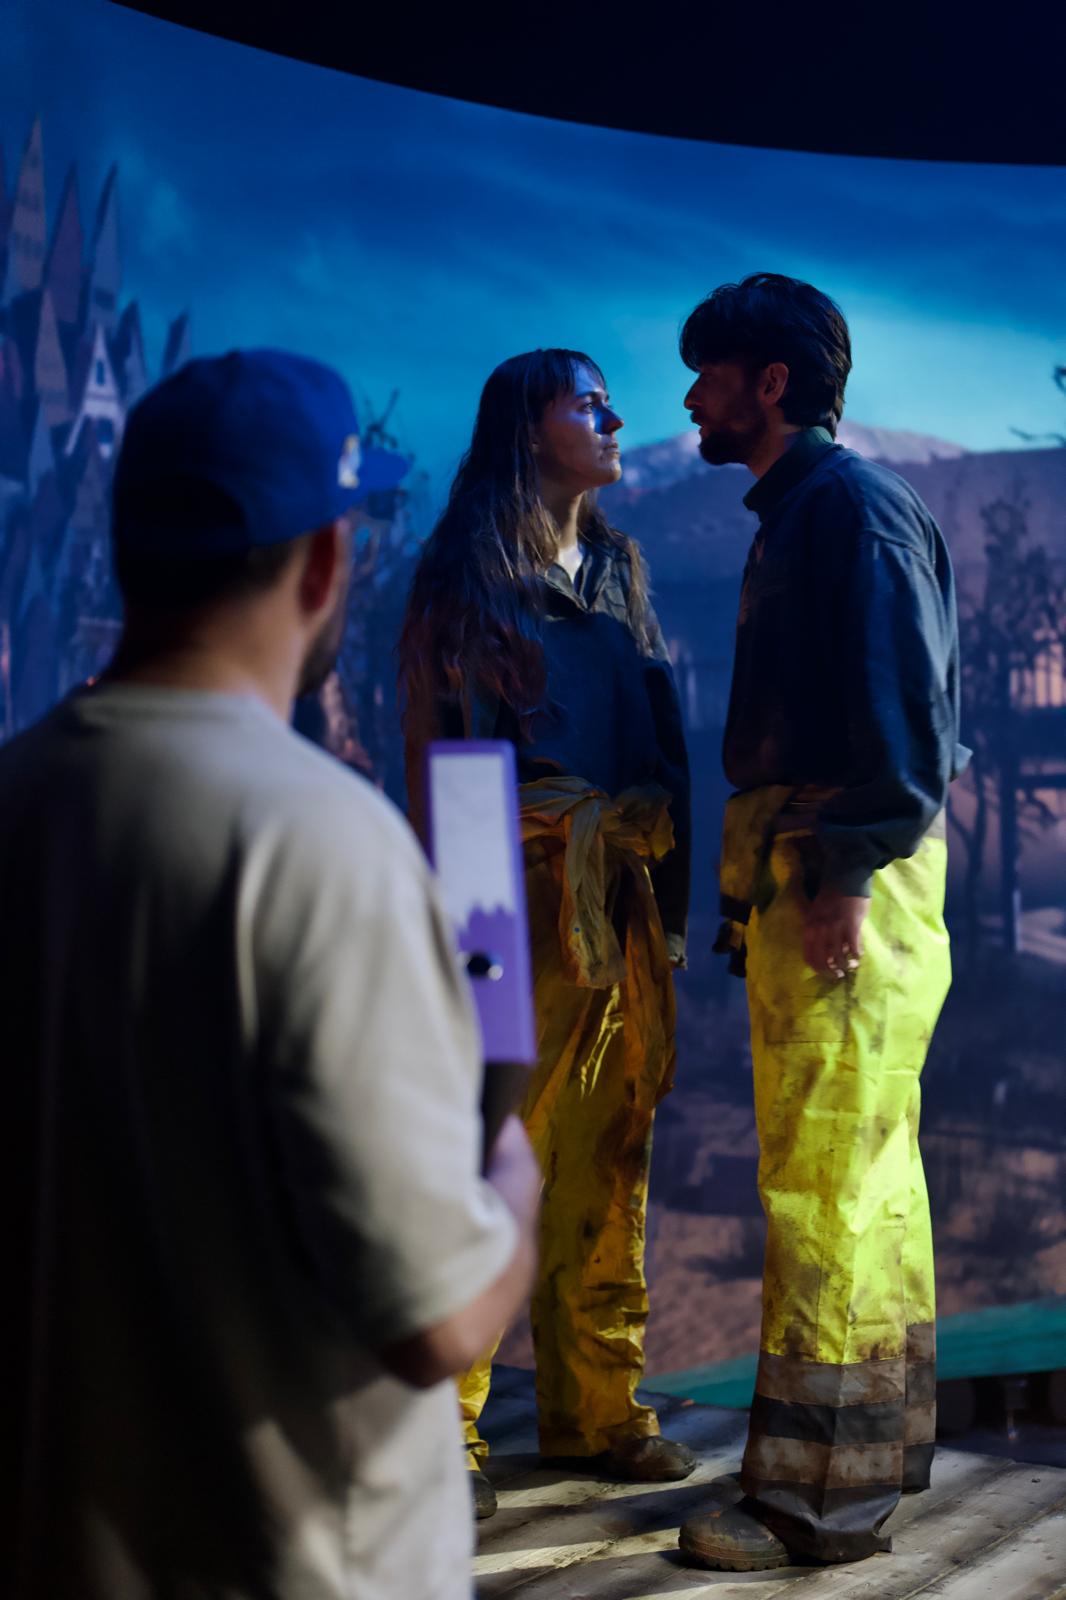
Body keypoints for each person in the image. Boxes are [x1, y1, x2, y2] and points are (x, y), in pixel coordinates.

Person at [1, 349, 540, 1600]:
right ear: (322, 561)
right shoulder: (324, 845)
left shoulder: (17, 800)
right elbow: (438, 1319)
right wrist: (511, 1175)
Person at [673, 276, 969, 1572]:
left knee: (823, 1186)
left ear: (771, 382)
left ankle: (808, 1503)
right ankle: (875, 1455)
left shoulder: (843, 510)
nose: (691, 396)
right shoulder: (819, 509)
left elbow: (900, 718)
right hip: (848, 868)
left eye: (709, 371)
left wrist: (842, 874)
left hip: (846, 874)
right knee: (870, 1177)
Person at [399, 348, 695, 1520]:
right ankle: (444, 1434)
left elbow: (658, 740)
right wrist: (472, 956)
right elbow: (449, 769)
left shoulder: (619, 568)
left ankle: (599, 1409)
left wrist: (668, 908)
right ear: (527, 427)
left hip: (614, 899)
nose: (614, 419)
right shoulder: (465, 576)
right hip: (507, 906)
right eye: (587, 403)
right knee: (492, 1156)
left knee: (610, 1152)